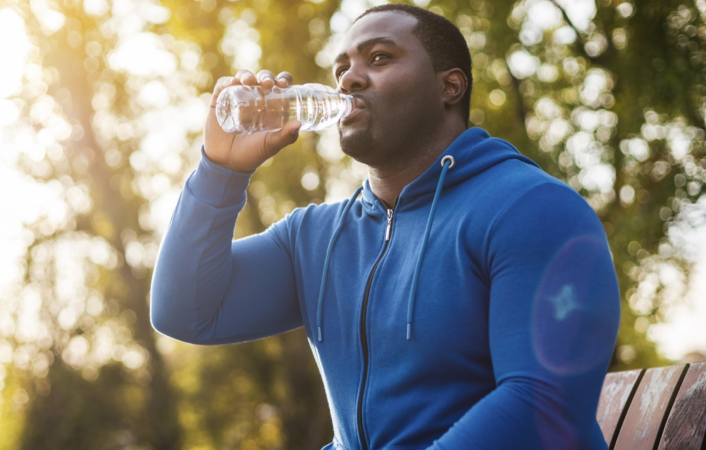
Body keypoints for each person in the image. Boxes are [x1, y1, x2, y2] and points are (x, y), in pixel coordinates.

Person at [150, 4, 620, 450]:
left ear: (449, 87)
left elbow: (542, 401)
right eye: (341, 69)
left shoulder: (532, 208)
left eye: (379, 58)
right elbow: (185, 311)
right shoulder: (314, 239)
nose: (349, 79)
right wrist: (220, 169)